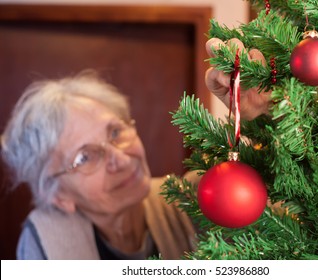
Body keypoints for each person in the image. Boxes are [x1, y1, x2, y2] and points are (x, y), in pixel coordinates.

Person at [1, 39, 270, 260]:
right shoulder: (46, 242)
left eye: (116, 132)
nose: (120, 157)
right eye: (85, 156)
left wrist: (264, 114)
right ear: (59, 195)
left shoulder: (200, 196)